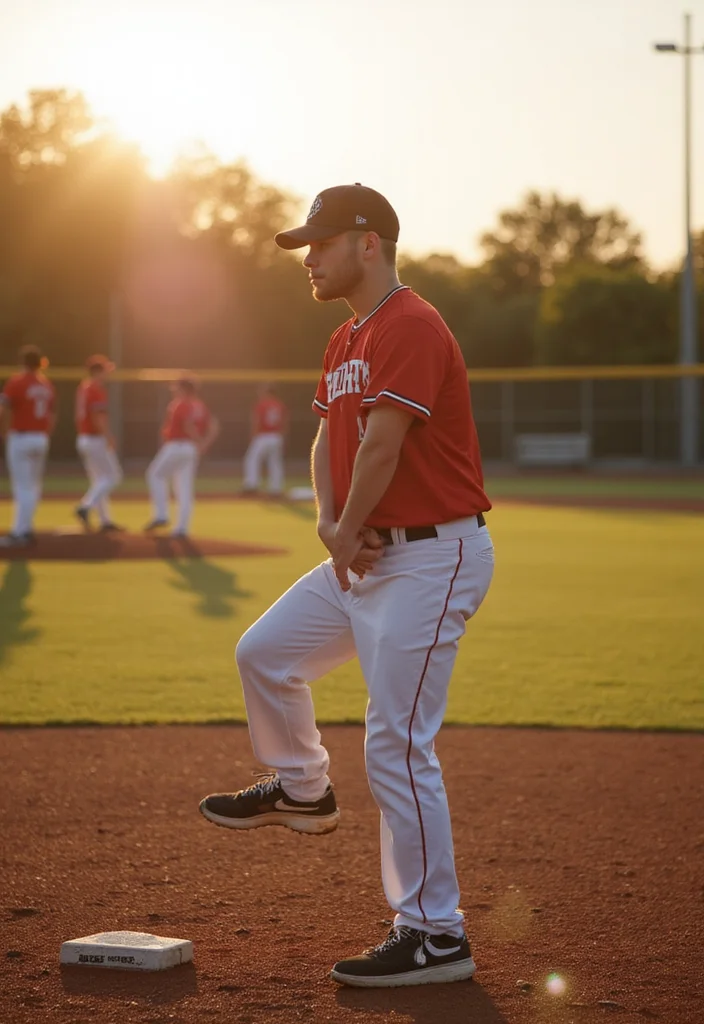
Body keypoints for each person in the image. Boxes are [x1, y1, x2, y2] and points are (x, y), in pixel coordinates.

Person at [199, 184, 495, 988]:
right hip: (364, 552)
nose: (309, 258)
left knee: (396, 742)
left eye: (322, 243)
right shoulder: (346, 337)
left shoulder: (412, 324)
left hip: (431, 558)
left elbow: (384, 445)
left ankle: (436, 934)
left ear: (370, 243)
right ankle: (303, 788)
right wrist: (332, 523)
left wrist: (343, 528)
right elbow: (329, 436)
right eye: (307, 245)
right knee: (265, 653)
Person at [144, 375, 219, 538]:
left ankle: (161, 514)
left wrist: (199, 442)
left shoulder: (180, 403)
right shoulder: (200, 405)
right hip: (191, 449)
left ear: (184, 388)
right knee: (184, 488)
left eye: (176, 387)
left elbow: (187, 425)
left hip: (177, 445)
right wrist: (204, 444)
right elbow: (214, 426)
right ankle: (182, 528)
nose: (174, 389)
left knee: (155, 475)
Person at [0, 344, 57, 546]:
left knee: (22, 487)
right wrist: (45, 435)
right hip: (40, 437)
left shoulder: (17, 382)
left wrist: (3, 432)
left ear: (22, 362)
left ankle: (20, 532)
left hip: (21, 436)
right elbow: (52, 415)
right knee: (33, 486)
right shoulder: (46, 384)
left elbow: (4, 410)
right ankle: (26, 528)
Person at [74, 355, 124, 532]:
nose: (107, 373)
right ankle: (85, 506)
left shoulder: (84, 387)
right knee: (113, 476)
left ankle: (105, 520)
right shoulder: (96, 389)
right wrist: (108, 435)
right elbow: (97, 417)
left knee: (99, 480)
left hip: (84, 437)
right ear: (98, 371)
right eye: (105, 370)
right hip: (95, 438)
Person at [242, 384, 288, 496]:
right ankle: (276, 488)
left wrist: (253, 435)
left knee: (252, 459)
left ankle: (251, 484)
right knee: (275, 462)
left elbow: (256, 421)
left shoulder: (261, 404)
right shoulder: (280, 405)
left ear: (266, 392)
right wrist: (283, 437)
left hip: (263, 435)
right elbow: (285, 423)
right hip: (277, 436)